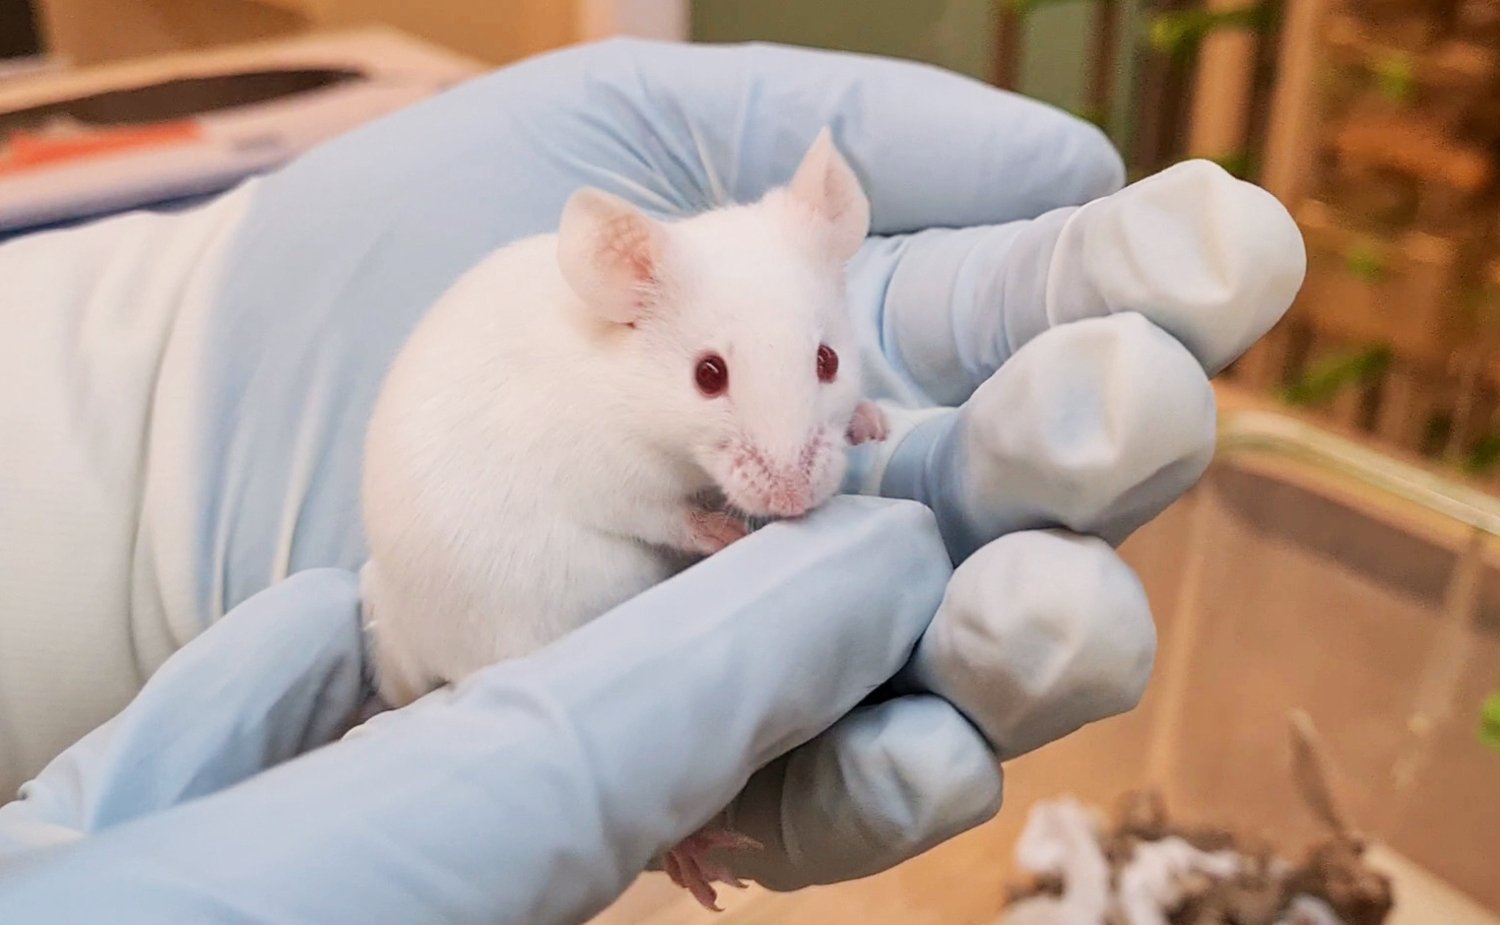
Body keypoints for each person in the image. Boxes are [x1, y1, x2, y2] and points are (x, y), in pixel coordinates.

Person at [0, 38, 1304, 925]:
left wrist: (826, 414)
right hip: (505, 559)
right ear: (627, 295)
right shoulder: (601, 361)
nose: (783, 456)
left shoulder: (780, 289)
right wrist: (696, 519)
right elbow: (590, 485)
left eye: (827, 365)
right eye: (720, 381)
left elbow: (809, 391)